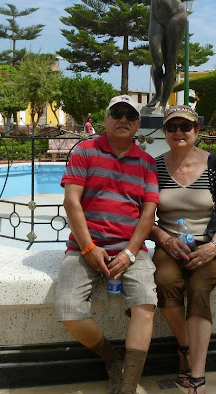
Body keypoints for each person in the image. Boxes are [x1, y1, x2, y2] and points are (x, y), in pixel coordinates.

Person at [55, 95, 159, 394]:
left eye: (130, 115)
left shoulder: (147, 163)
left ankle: (127, 385)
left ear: (138, 124)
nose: (123, 119)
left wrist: (129, 253)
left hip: (131, 250)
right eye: (118, 113)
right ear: (106, 118)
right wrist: (88, 249)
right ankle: (113, 360)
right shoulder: (84, 152)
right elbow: (71, 202)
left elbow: (148, 213)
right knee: (69, 310)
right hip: (84, 248)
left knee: (145, 305)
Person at [149, 105, 216, 394]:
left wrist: (213, 247)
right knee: (164, 282)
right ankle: (186, 346)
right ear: (164, 132)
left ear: (196, 131)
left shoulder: (215, 165)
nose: (178, 132)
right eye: (172, 127)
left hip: (207, 244)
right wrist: (163, 239)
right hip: (170, 244)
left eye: (185, 127)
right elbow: (144, 218)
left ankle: (197, 374)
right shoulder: (154, 167)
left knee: (199, 291)